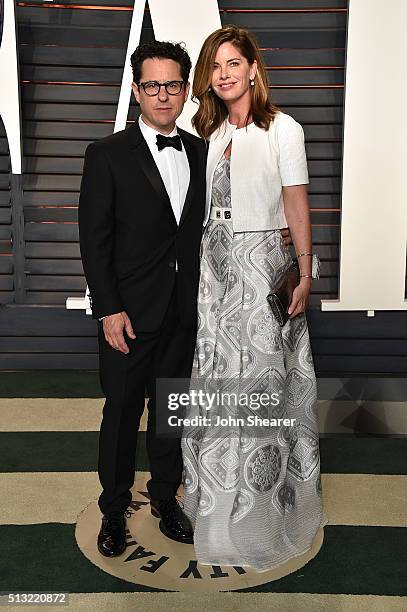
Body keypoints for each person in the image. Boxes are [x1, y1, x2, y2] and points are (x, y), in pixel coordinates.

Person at [181, 25, 328, 571]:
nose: (223, 74)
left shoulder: (282, 129)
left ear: (252, 69)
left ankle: (261, 513)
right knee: (219, 381)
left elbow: (294, 203)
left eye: (232, 63)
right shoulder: (213, 132)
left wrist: (306, 271)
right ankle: (216, 507)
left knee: (263, 382)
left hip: (261, 268)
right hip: (215, 277)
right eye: (215, 66)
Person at [78, 41, 208, 556]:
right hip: (127, 315)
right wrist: (108, 308)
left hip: (184, 311)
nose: (162, 95)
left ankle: (163, 497)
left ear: (184, 92)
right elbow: (94, 238)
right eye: (151, 85)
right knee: (121, 413)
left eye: (172, 85)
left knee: (171, 412)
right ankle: (113, 511)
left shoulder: (201, 151)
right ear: (136, 91)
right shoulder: (107, 154)